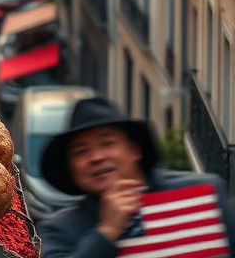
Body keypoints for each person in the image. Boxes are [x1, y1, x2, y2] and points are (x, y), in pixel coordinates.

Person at [39, 95, 235, 258]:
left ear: (135, 149)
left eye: (107, 143)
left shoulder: (204, 194)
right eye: (81, 151)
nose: (96, 157)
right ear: (71, 168)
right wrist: (105, 233)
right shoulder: (58, 231)